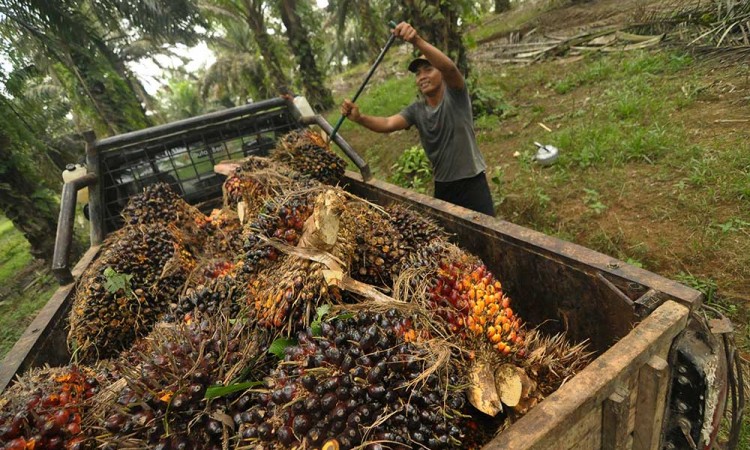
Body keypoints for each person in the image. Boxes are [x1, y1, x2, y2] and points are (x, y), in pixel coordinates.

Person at [341, 21, 495, 216]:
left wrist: (416, 40)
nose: (422, 76)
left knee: (488, 237)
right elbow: (388, 123)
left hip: (473, 183)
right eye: (418, 73)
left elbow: (450, 70)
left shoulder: (456, 95)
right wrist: (360, 117)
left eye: (428, 70)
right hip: (443, 187)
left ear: (440, 73)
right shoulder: (416, 111)